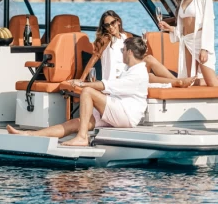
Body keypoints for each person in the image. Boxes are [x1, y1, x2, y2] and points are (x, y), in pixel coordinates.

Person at [8, 36, 151, 145]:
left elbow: (108, 85)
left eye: (123, 50)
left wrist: (82, 84)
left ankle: (82, 137)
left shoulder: (138, 74)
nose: (122, 53)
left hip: (125, 115)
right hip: (117, 110)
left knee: (87, 91)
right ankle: (28, 135)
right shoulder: (130, 69)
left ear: (129, 52)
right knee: (76, 123)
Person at [158, 0, 218, 87]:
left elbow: (208, 23)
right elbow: (183, 27)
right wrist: (170, 28)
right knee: (190, 81)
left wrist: (204, 48)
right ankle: (216, 78)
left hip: (200, 41)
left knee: (213, 83)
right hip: (187, 41)